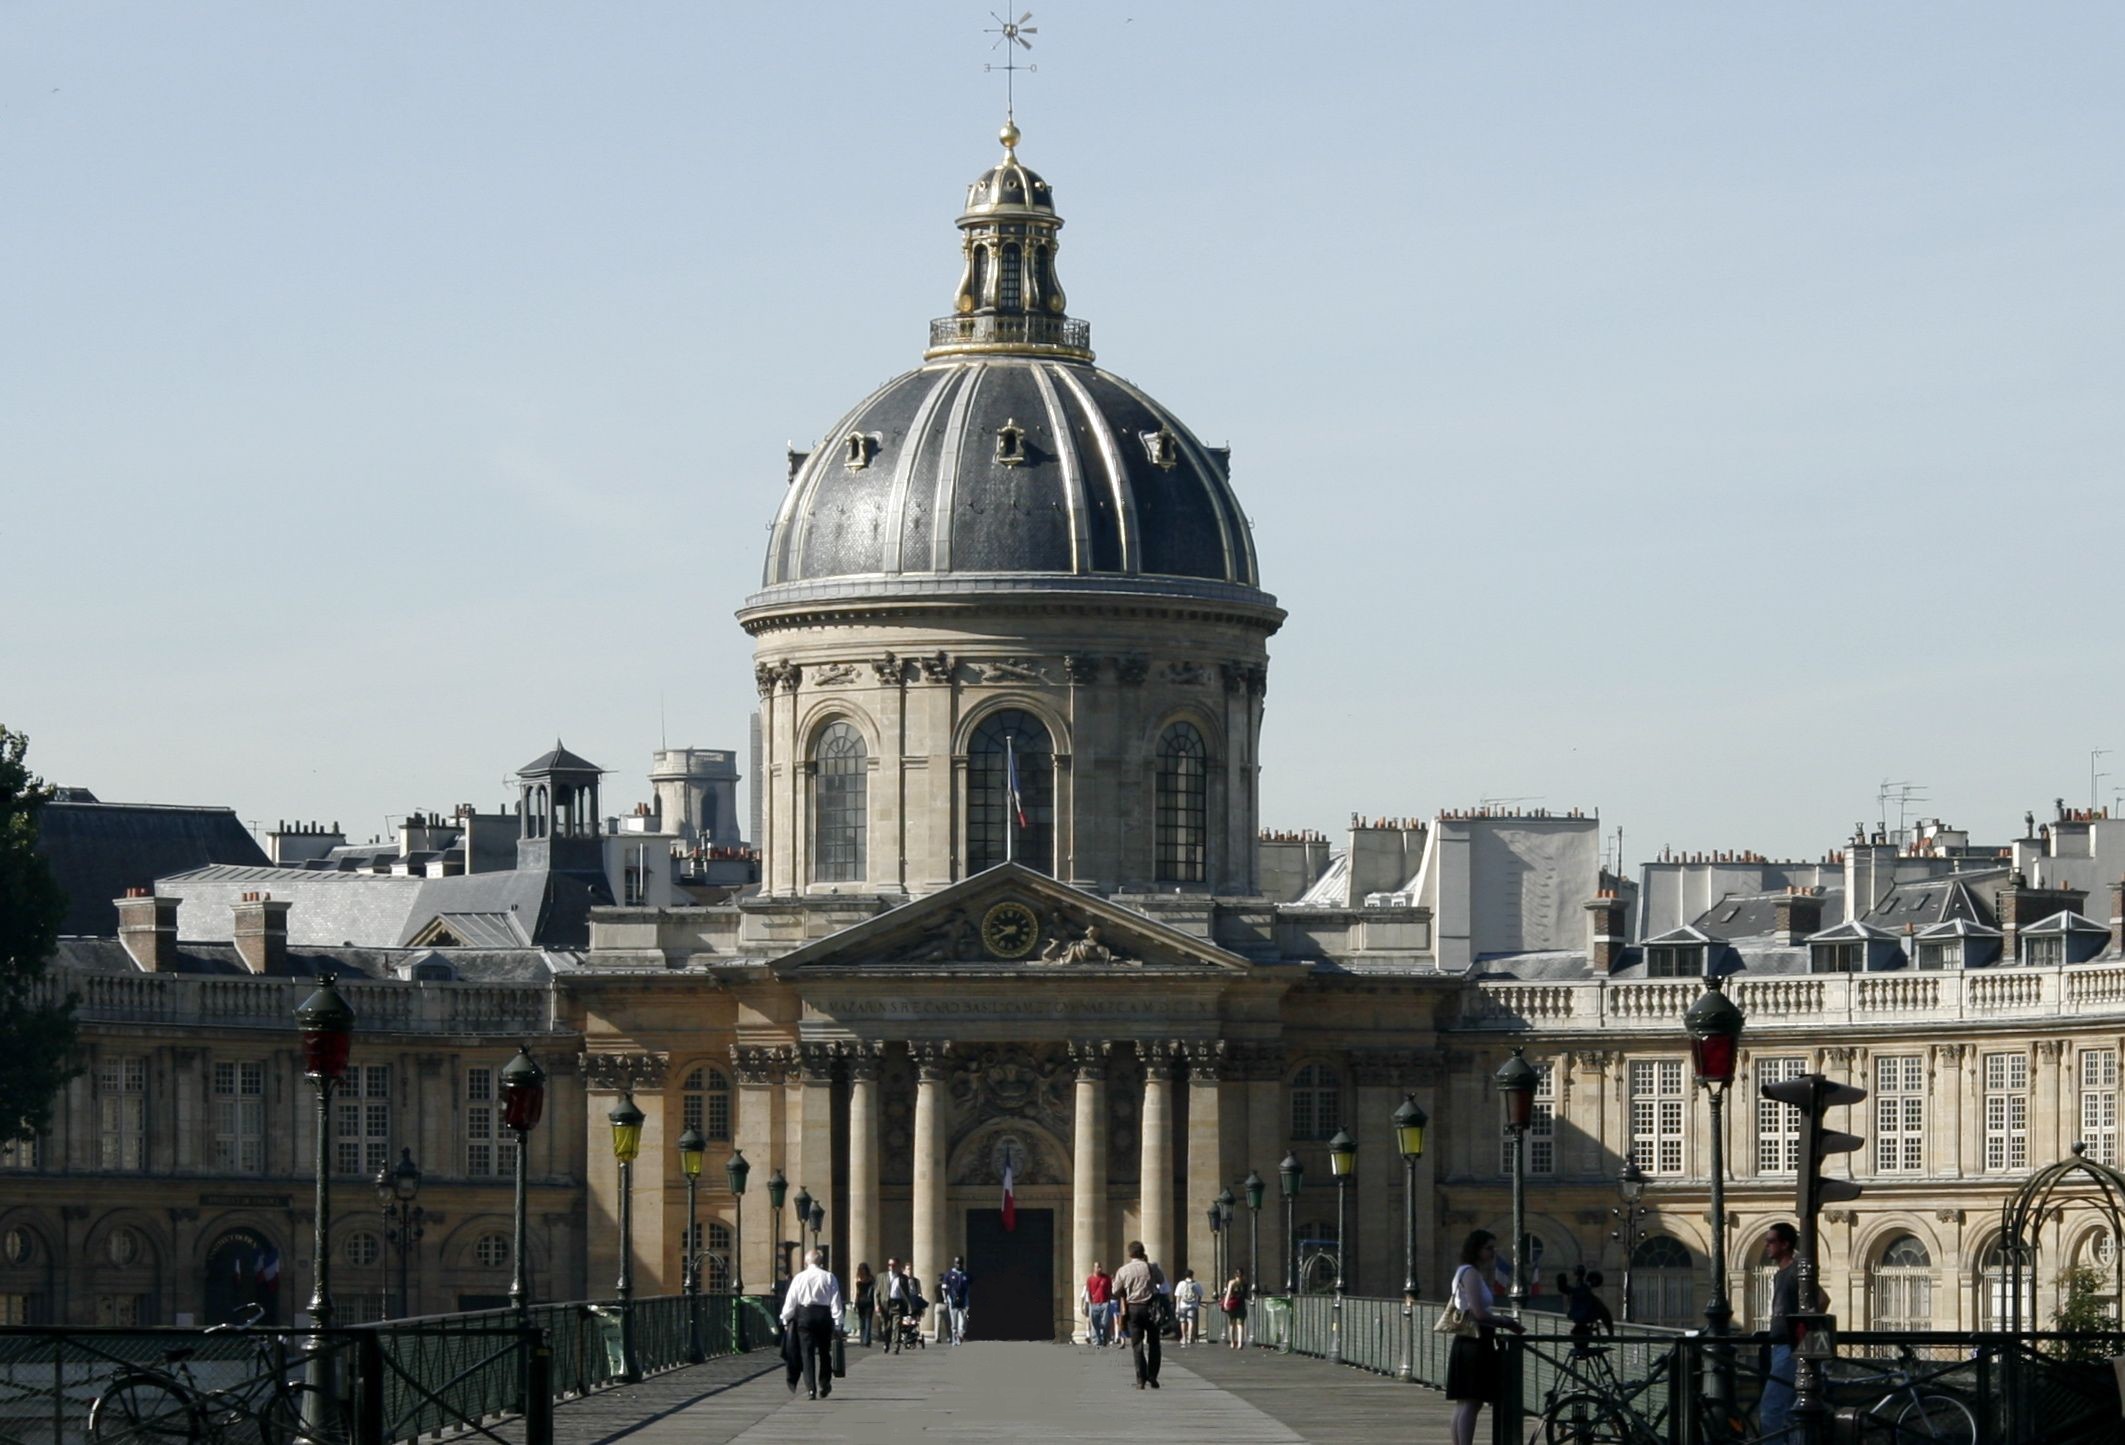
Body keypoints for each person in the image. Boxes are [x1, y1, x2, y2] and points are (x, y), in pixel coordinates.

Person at [1446, 1230, 1525, 1445]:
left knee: (1465, 1403)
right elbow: (1479, 1313)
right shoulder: (1470, 1273)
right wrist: (1506, 1322)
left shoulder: (1464, 1271)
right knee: (1472, 1403)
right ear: (1476, 1249)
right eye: (1489, 1248)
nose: (1493, 1252)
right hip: (1475, 1341)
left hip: (1466, 1342)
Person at [1758, 1222, 1823, 1443]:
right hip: (1781, 1347)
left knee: (1772, 1409)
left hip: (1790, 1349)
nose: (1766, 1245)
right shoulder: (1781, 1273)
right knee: (1789, 1412)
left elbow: (1821, 1300)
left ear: (1785, 1244)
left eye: (1771, 1241)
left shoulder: (1795, 1270)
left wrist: (1801, 1332)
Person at [779, 1247, 845, 1402]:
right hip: (823, 1315)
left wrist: (785, 1318)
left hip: (805, 1316)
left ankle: (810, 1389)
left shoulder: (799, 1278)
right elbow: (835, 1301)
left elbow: (791, 1300)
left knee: (806, 1353)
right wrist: (838, 1323)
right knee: (824, 1351)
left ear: (805, 1262)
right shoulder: (829, 1277)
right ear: (821, 1262)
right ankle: (824, 1382)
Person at [1112, 1241, 1165, 1389]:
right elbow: (1161, 1280)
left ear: (1130, 1254)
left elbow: (1115, 1291)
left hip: (1133, 1309)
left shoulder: (1123, 1270)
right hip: (1151, 1309)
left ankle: (1141, 1379)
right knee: (1154, 1343)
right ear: (1143, 1252)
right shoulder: (1151, 1267)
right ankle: (1153, 1375)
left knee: (1137, 1345)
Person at [940, 1255, 971, 1345]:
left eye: (961, 1263)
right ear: (954, 1263)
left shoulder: (966, 1275)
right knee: (954, 1322)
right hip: (953, 1301)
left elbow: (969, 1287)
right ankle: (955, 1339)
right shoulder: (949, 1274)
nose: (959, 1265)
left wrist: (968, 1299)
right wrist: (945, 1298)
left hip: (963, 1301)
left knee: (963, 1321)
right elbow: (944, 1287)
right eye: (957, 1263)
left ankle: (960, 1335)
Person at [1082, 1262, 1113, 1347]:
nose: (1099, 1269)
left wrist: (1109, 1301)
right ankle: (1096, 1341)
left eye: (1100, 1267)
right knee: (1094, 1324)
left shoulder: (1107, 1278)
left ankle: (1105, 1338)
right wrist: (1090, 1303)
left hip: (1105, 1303)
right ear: (1094, 1268)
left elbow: (1110, 1289)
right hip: (1094, 1303)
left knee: (1105, 1322)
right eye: (1097, 1267)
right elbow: (1088, 1291)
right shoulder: (1090, 1279)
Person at [882, 1256, 908, 1353]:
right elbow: (877, 1292)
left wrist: (908, 1305)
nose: (891, 1267)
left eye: (893, 1265)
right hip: (886, 1304)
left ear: (897, 1266)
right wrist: (877, 1304)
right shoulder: (883, 1276)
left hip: (897, 1303)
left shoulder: (903, 1278)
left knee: (896, 1325)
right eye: (889, 1265)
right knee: (887, 1326)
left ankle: (896, 1345)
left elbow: (906, 1293)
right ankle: (886, 1343)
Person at [1173, 1268, 1204, 1345]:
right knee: (1190, 1321)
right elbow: (1200, 1294)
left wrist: (1177, 1307)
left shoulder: (1181, 1283)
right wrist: (1197, 1302)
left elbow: (1178, 1296)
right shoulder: (1196, 1284)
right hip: (1192, 1304)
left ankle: (1184, 1338)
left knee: (1183, 1321)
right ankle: (1190, 1337)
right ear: (1192, 1275)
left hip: (1183, 1305)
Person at [1221, 1267, 1249, 1349]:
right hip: (1241, 1305)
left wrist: (1225, 1303)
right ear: (1242, 1275)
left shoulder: (1232, 1282)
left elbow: (1228, 1293)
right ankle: (1240, 1343)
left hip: (1232, 1305)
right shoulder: (1245, 1283)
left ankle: (1232, 1342)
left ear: (1235, 1274)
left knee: (1231, 1324)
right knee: (1240, 1325)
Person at [852, 1263, 875, 1347]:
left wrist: (854, 1302)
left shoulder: (858, 1279)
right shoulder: (871, 1278)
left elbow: (856, 1293)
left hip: (861, 1301)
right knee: (867, 1321)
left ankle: (863, 1339)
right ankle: (866, 1340)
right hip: (869, 1301)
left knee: (862, 1321)